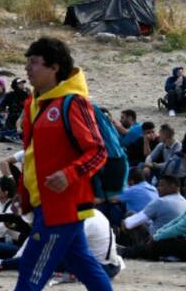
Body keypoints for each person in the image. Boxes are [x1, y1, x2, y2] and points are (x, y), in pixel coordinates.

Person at [11, 36, 112, 291]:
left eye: (34, 62)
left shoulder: (72, 102)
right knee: (83, 265)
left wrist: (68, 175)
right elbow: (34, 157)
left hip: (63, 207)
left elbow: (99, 151)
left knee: (30, 274)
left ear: (54, 67)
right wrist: (22, 194)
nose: (27, 68)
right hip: (46, 203)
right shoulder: (34, 104)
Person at [121, 175, 186, 245]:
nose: (158, 188)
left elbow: (130, 223)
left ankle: (136, 249)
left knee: (130, 215)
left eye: (162, 185)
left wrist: (124, 223)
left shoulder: (161, 201)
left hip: (155, 242)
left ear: (173, 186)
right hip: (178, 242)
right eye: (158, 186)